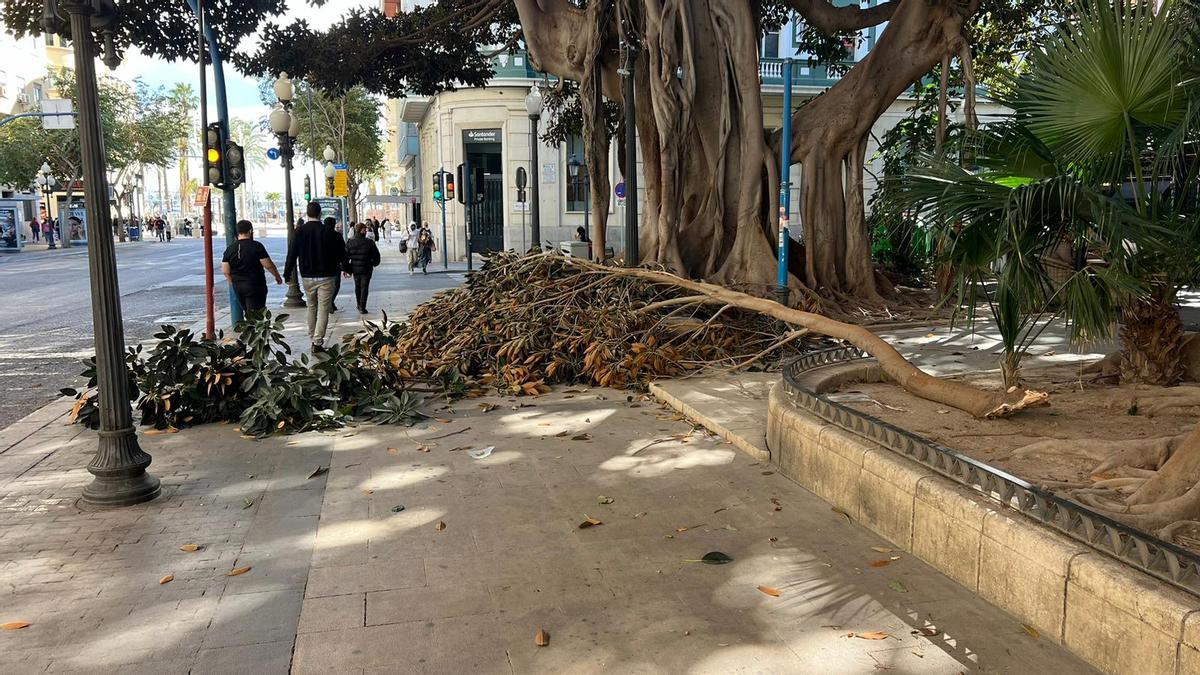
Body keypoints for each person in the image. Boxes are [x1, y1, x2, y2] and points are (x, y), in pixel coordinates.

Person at [292, 202, 348, 352]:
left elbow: (292, 253)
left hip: (307, 276)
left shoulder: (299, 232)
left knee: (311, 306)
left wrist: (286, 273)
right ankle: (317, 342)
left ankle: (313, 337)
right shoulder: (330, 232)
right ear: (319, 214)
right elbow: (342, 253)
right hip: (326, 276)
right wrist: (347, 268)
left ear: (307, 213)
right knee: (323, 308)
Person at [221, 220, 283, 315]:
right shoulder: (257, 246)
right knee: (256, 315)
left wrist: (233, 282)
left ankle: (249, 327)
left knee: (247, 312)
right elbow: (268, 265)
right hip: (255, 285)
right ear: (250, 231)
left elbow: (226, 271)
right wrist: (277, 276)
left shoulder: (230, 249)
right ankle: (253, 329)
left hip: (238, 286)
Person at [345, 222, 381, 314]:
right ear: (361, 231)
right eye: (364, 229)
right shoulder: (369, 242)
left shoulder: (350, 242)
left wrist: (347, 269)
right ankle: (362, 306)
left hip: (355, 269)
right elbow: (376, 255)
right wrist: (374, 263)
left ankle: (358, 304)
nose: (365, 231)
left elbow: (345, 257)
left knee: (357, 286)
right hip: (366, 268)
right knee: (364, 287)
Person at [322, 216, 345, 312]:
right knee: (336, 284)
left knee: (324, 286)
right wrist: (346, 267)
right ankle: (330, 302)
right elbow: (343, 252)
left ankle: (328, 303)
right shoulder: (337, 235)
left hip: (322, 265)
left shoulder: (320, 235)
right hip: (335, 264)